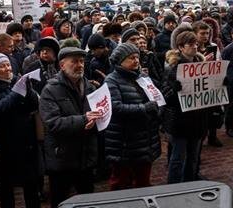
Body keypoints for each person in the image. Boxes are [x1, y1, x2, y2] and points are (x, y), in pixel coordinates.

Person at [39, 47, 101, 208]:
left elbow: (97, 116)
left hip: (86, 156)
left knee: (87, 201)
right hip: (62, 158)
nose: (79, 65)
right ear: (62, 65)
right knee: (61, 201)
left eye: (81, 61)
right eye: (74, 61)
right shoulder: (50, 90)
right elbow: (53, 123)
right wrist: (83, 120)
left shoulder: (90, 87)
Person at [0, 53, 41, 208]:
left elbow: (34, 105)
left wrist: (28, 90)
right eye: (2, 66)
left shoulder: (16, 80)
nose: (7, 68)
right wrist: (16, 92)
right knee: (7, 188)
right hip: (6, 144)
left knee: (31, 185)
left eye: (8, 64)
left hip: (27, 142)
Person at [104, 42, 161, 190]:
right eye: (131, 58)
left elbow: (155, 97)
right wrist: (144, 108)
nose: (136, 60)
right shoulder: (111, 80)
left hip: (145, 140)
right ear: (120, 61)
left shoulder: (142, 77)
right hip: (124, 142)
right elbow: (115, 107)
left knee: (143, 183)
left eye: (137, 57)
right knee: (121, 183)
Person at [161, 30, 210, 184]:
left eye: (196, 44)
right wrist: (174, 90)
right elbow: (165, 97)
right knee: (178, 158)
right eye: (191, 44)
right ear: (181, 47)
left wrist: (219, 83)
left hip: (197, 119)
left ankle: (190, 184)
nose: (195, 47)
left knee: (193, 157)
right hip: (180, 121)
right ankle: (173, 188)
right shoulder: (173, 67)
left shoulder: (202, 65)